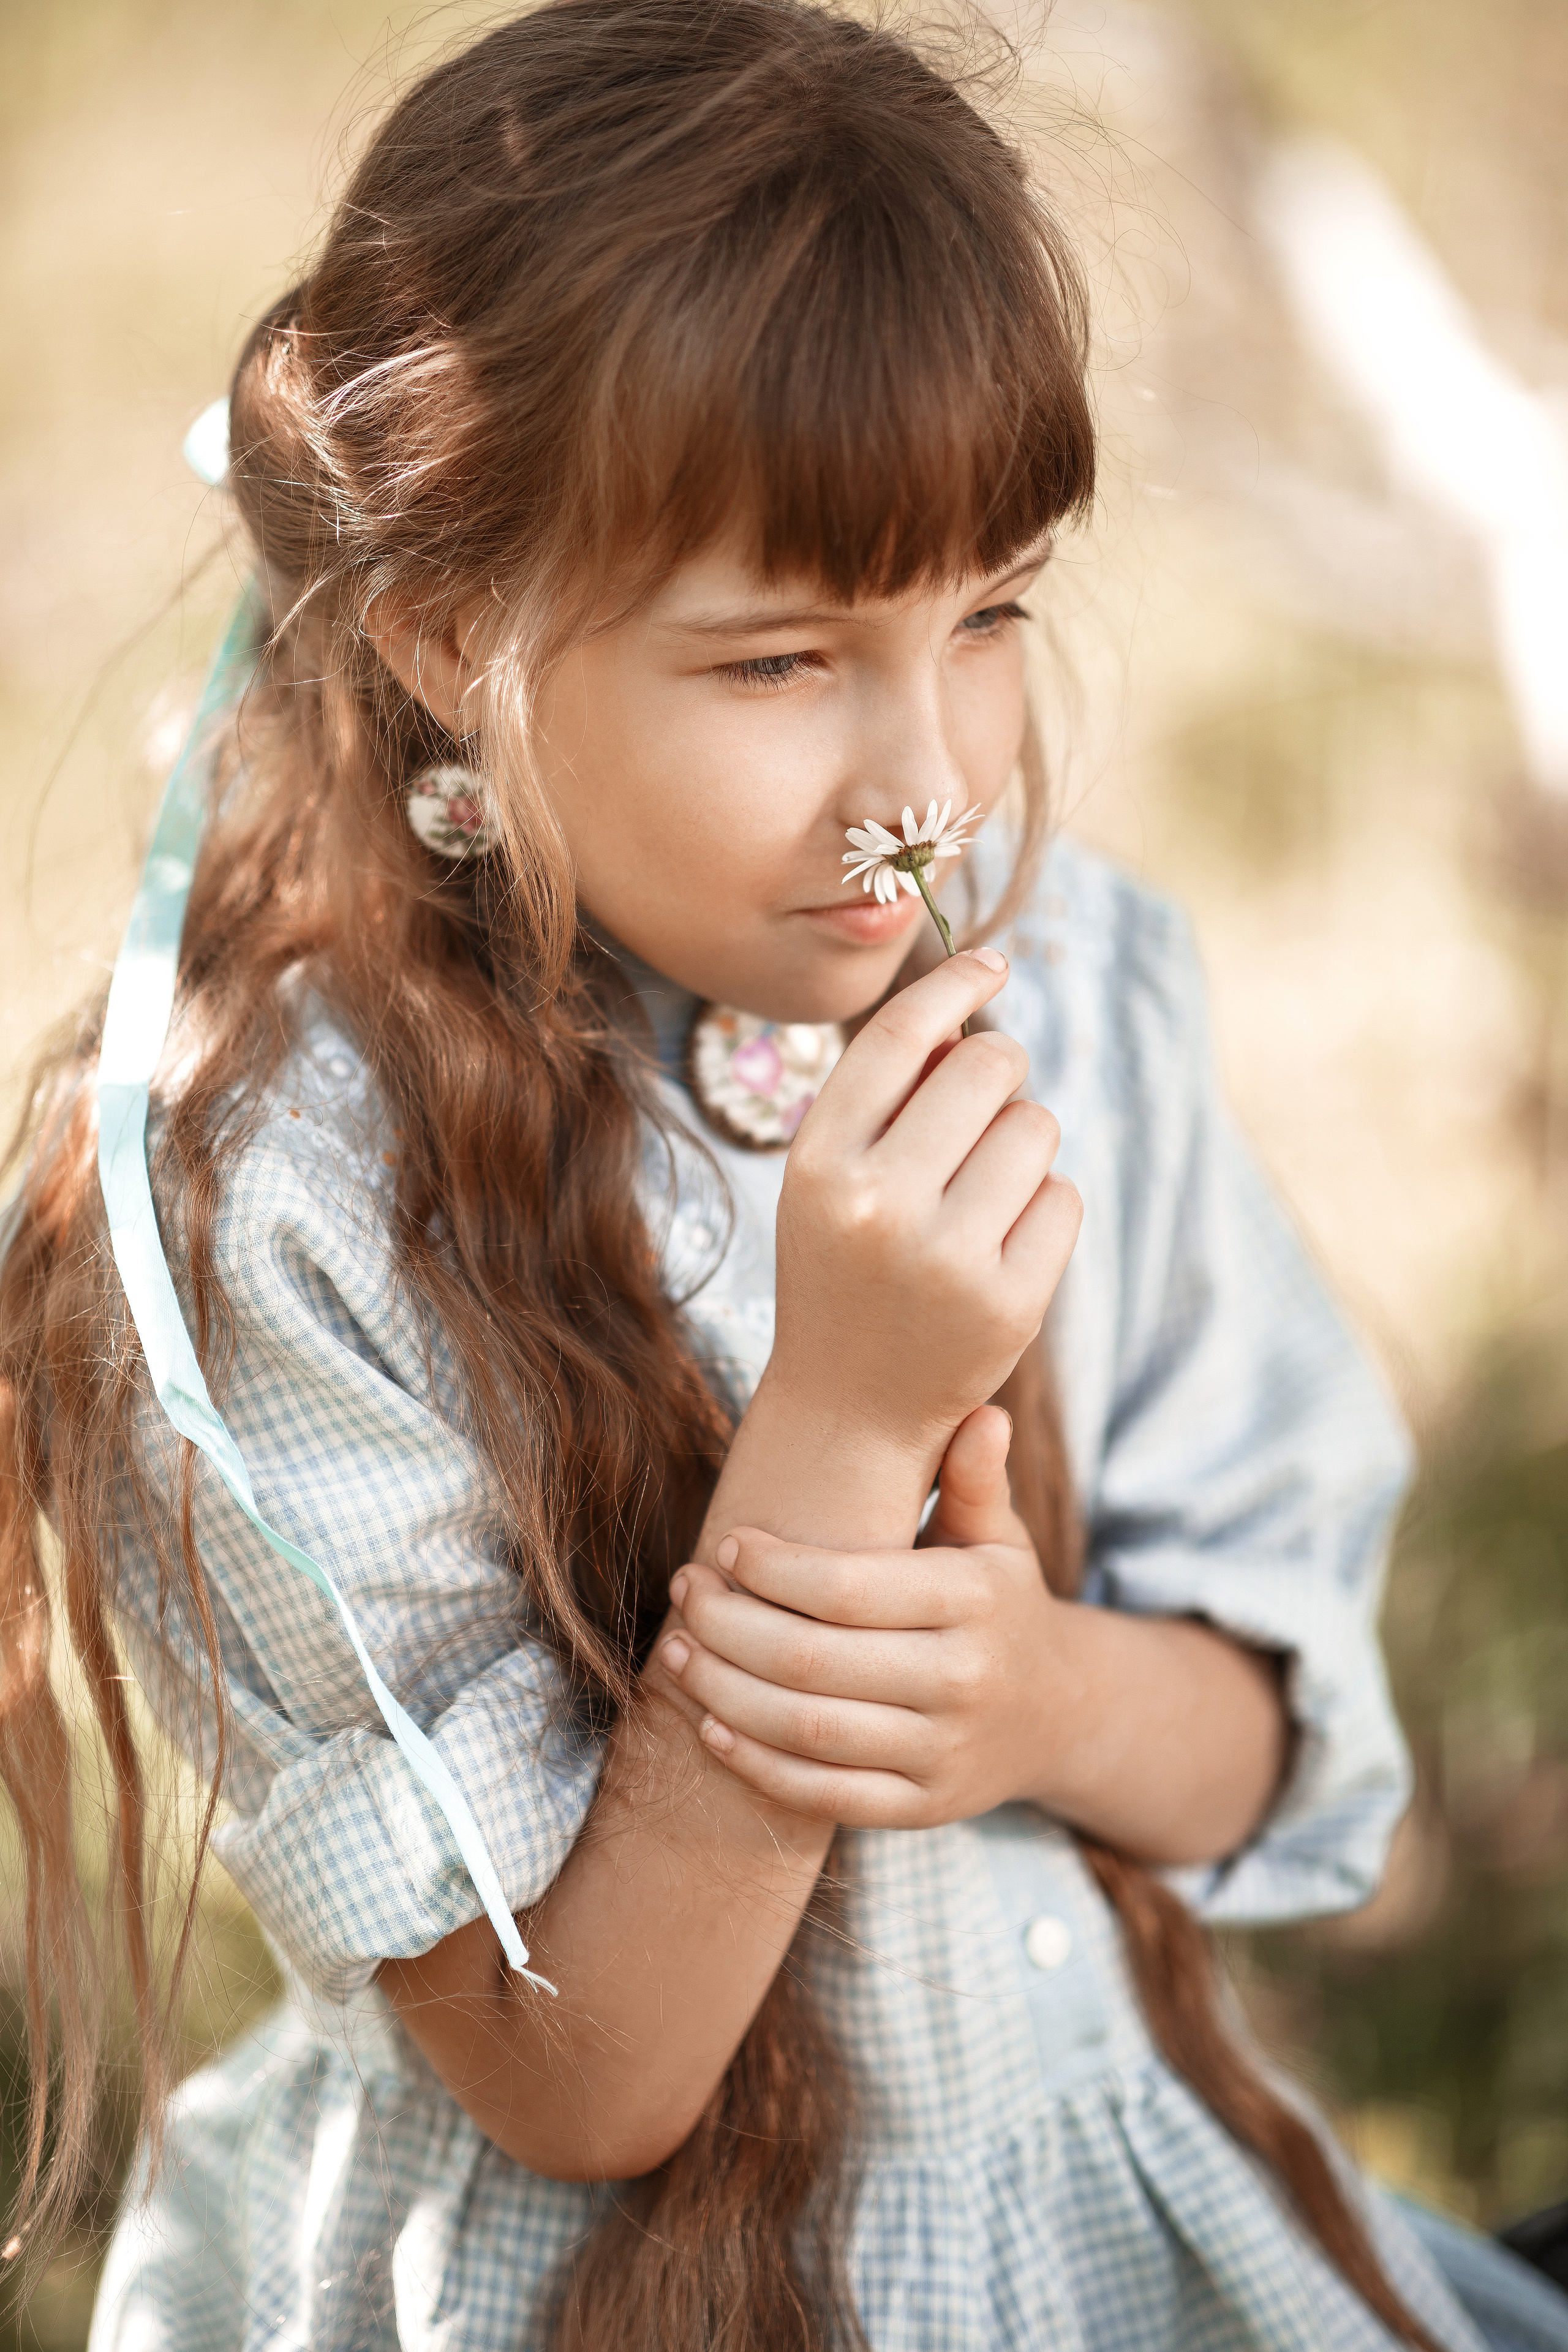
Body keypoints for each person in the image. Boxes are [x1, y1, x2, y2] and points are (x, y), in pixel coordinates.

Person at [2, 5, 1564, 2347]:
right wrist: (839, 1426)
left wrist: (1037, 1697)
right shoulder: (271, 1207)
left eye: (993, 615)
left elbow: (1271, 1753)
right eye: (778, 662)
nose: (924, 779)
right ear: (451, 635)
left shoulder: (1084, 995)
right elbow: (588, 2071)